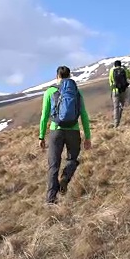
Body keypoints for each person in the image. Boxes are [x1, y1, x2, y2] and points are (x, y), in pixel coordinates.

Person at [38, 65, 92, 205]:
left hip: (56, 130)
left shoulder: (49, 92)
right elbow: (84, 115)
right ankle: (65, 178)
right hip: (73, 131)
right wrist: (87, 137)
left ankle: (51, 200)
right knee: (72, 159)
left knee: (53, 165)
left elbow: (44, 116)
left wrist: (41, 136)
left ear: (57, 77)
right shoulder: (76, 91)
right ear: (69, 76)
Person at [108, 59, 130, 127]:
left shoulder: (112, 71)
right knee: (121, 106)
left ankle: (116, 123)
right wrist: (126, 69)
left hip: (115, 91)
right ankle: (119, 119)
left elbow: (110, 81)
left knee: (116, 107)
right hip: (123, 90)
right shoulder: (124, 70)